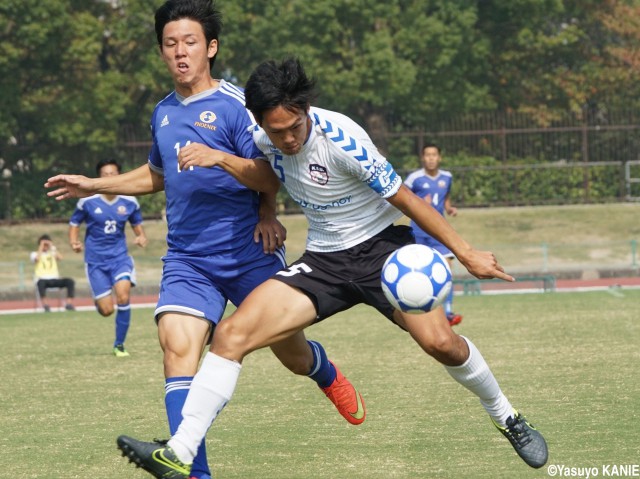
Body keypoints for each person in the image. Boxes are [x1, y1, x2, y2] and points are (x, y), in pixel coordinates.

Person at [113, 58, 548, 478]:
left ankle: (507, 416)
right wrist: (267, 212)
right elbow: (264, 176)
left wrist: (466, 252)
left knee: (440, 344)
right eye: (275, 131)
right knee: (230, 335)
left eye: (293, 128)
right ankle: (180, 452)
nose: (286, 140)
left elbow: (407, 200)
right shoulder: (264, 138)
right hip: (324, 260)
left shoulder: (342, 138)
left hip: (381, 251)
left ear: (306, 111)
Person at [46, 4, 363, 479]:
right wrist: (95, 185)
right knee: (176, 347)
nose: (181, 52)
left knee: (291, 353)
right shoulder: (163, 112)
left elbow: (272, 170)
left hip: (248, 251)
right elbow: (157, 174)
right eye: (171, 44)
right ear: (161, 51)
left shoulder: (237, 106)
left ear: (210, 48)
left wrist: (260, 204)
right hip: (189, 258)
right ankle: (194, 471)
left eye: (190, 42)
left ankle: (324, 371)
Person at [68, 159, 148, 357]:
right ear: (98, 177)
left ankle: (119, 345)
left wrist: (141, 235)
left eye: (114, 173)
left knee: (123, 295)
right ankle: (100, 301)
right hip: (95, 261)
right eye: (105, 174)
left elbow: (136, 223)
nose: (110, 177)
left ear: (120, 175)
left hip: (120, 258)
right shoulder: (87, 201)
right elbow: (74, 223)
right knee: (107, 310)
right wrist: (74, 241)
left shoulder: (130, 201)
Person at [404, 143, 462, 326]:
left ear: (439, 157)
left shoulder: (447, 177)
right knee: (419, 273)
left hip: (439, 231)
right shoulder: (414, 178)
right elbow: (403, 198)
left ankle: (448, 312)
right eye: (427, 155)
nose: (430, 158)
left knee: (447, 271)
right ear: (423, 157)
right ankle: (422, 311)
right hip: (418, 232)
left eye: (434, 154)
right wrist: (420, 203)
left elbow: (445, 198)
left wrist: (449, 208)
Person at [30, 234, 76, 312]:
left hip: (54, 278)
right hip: (42, 279)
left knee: (70, 281)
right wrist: (41, 246)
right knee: (40, 283)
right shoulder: (34, 254)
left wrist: (52, 246)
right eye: (44, 244)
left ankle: (68, 304)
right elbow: (37, 259)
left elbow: (60, 258)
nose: (46, 246)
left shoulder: (52, 252)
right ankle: (46, 305)